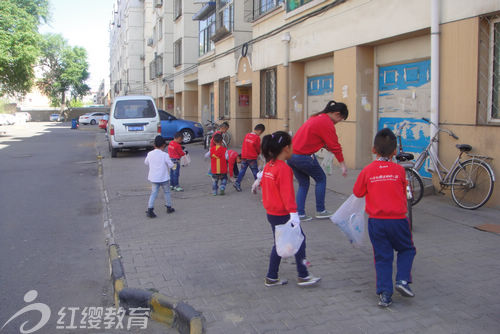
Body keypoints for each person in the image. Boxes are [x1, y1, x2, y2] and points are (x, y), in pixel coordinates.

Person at [353, 128, 416, 307]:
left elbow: (357, 192)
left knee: (382, 256)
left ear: (374, 149)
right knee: (407, 249)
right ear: (394, 152)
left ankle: (385, 294)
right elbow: (405, 193)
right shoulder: (399, 171)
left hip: (377, 222)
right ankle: (402, 281)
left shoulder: (367, 171)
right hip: (398, 220)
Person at [260, 131, 321, 287]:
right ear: (286, 148)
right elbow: (287, 194)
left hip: (272, 212)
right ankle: (303, 275)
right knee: (298, 241)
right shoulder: (283, 168)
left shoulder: (269, 165)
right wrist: (294, 214)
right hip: (283, 213)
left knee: (281, 243)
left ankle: (272, 277)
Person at [287, 100, 348, 222]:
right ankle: (321, 210)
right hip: (304, 157)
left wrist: (326, 146)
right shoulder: (326, 123)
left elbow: (315, 138)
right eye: (341, 119)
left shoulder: (316, 117)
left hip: (291, 156)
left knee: (303, 184)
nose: (339, 122)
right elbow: (335, 145)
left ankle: (299, 213)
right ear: (337, 113)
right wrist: (342, 164)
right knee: (321, 179)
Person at [144, 136, 175, 218]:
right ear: (164, 145)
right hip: (164, 178)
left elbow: (146, 163)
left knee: (153, 193)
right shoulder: (165, 155)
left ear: (154, 145)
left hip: (154, 178)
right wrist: (174, 164)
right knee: (167, 192)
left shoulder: (150, 154)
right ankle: (169, 207)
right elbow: (171, 165)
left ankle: (150, 209)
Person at [234, 124, 265, 192]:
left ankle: (237, 183)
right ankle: (259, 184)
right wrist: (259, 154)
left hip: (244, 156)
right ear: (260, 131)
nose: (260, 134)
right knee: (255, 171)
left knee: (242, 171)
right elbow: (257, 149)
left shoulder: (247, 135)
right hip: (252, 158)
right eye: (261, 133)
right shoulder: (257, 138)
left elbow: (244, 145)